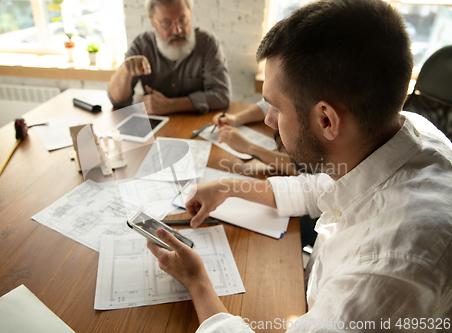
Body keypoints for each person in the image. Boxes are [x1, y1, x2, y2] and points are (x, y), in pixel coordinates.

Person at [146, 0, 452, 331]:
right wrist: (228, 186)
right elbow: (323, 186)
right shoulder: (404, 131)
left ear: (326, 119)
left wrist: (197, 282)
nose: (268, 120)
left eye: (276, 107)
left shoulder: (389, 266)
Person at [108, 0, 231, 115]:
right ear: (152, 22)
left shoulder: (207, 43)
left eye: (183, 19)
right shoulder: (142, 45)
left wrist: (171, 105)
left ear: (190, 14)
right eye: (167, 23)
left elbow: (222, 95)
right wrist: (125, 70)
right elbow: (117, 101)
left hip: (197, 124)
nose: (177, 30)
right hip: (155, 128)